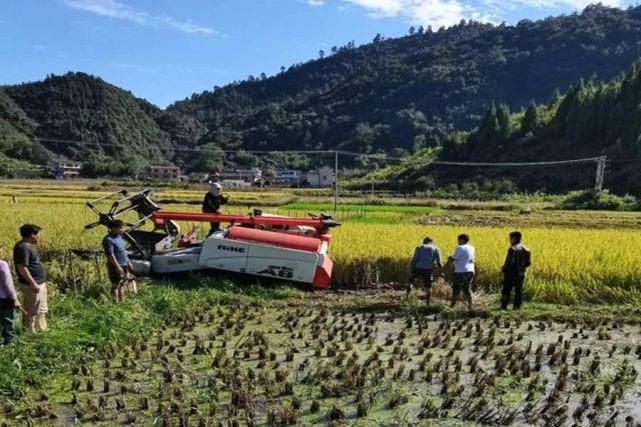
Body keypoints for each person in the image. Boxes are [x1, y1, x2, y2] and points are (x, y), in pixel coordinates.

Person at [14, 224, 48, 333]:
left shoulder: (28, 246)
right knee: (31, 309)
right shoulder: (23, 247)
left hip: (39, 283)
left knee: (41, 309)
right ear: (32, 235)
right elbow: (22, 267)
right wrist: (32, 283)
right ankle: (29, 332)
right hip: (32, 285)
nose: (39, 237)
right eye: (38, 235)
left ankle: (41, 329)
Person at [103, 220, 137, 303]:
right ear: (113, 228)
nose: (122, 230)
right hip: (116, 266)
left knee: (122, 284)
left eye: (122, 228)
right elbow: (110, 255)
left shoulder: (119, 238)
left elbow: (123, 251)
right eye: (120, 228)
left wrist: (128, 262)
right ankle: (115, 304)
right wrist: (117, 266)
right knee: (115, 285)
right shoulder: (108, 239)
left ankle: (122, 302)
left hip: (124, 264)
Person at [501, 231, 531, 310]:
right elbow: (528, 263)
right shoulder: (527, 249)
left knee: (506, 291)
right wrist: (522, 269)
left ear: (514, 239)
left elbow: (509, 263)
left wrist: (503, 270)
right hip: (521, 274)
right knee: (518, 291)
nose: (509, 240)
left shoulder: (512, 249)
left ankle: (504, 307)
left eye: (510, 238)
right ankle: (517, 307)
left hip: (510, 274)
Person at [444, 234, 475, 309]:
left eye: (458, 240)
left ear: (462, 240)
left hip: (461, 271)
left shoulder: (460, 248)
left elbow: (452, 259)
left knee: (456, 289)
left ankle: (451, 307)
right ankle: (470, 306)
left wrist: (445, 267)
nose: (458, 242)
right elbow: (465, 258)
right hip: (470, 271)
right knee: (466, 289)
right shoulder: (471, 248)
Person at [409, 237, 442, 304]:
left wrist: (412, 267)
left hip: (418, 268)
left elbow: (415, 258)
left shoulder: (419, 247)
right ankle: (427, 303)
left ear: (424, 241)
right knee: (428, 286)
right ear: (431, 242)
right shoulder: (436, 248)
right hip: (428, 269)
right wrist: (441, 270)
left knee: (411, 281)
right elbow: (439, 261)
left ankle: (408, 297)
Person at [0, 252, 22, 344]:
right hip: (3, 298)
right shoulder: (2, 264)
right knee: (7, 321)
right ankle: (10, 343)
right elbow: (7, 283)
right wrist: (14, 298)